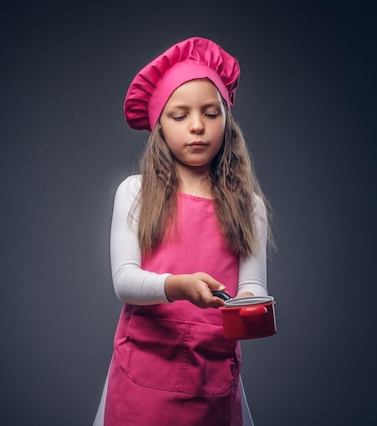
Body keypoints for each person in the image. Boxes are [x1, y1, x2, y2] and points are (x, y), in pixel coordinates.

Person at [93, 36, 273, 426]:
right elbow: (124, 281)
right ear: (159, 124)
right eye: (180, 115)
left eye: (211, 113)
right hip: (143, 370)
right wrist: (179, 286)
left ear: (227, 118)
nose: (197, 126)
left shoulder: (248, 205)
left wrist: (250, 305)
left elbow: (252, 286)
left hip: (213, 373)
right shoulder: (136, 192)